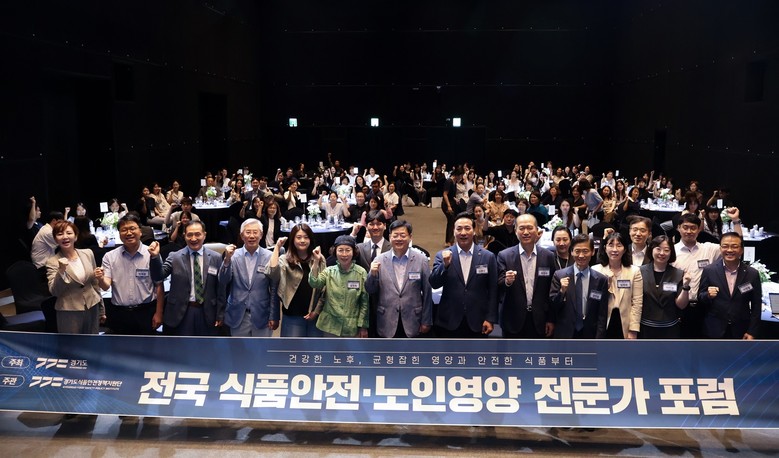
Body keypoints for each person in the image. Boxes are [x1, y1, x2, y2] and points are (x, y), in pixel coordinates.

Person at [672, 210, 743, 338]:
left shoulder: (709, 249)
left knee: (702, 345)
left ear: (699, 229)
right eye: (685, 227)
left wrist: (736, 221)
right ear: (678, 228)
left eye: (693, 228)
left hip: (704, 307)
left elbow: (736, 244)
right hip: (679, 307)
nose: (689, 231)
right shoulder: (671, 252)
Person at [148, 220, 224, 336]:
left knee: (207, 346)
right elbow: (158, 276)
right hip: (181, 312)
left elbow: (221, 288)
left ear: (204, 235)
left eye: (197, 234)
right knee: (182, 346)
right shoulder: (175, 257)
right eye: (189, 235)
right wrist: (155, 257)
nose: (193, 238)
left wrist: (220, 313)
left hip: (208, 312)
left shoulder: (216, 258)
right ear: (184, 236)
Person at [429, 213, 498, 338]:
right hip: (449, 320)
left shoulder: (488, 257)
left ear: (474, 231)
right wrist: (445, 266)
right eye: (459, 229)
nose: (463, 233)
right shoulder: (442, 255)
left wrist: (490, 318)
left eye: (467, 228)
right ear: (454, 231)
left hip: (478, 320)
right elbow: (434, 283)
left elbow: (493, 290)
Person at [96, 214, 164, 335]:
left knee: (148, 346)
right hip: (119, 314)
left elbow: (159, 285)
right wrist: (100, 279)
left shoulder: (152, 253)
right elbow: (105, 286)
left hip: (146, 312)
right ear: (119, 234)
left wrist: (159, 313)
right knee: (119, 346)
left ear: (140, 231)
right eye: (124, 230)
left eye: (132, 228)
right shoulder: (109, 257)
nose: (128, 233)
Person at [365, 220, 433, 338]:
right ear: (390, 237)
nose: (399, 239)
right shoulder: (379, 260)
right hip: (386, 320)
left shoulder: (421, 260)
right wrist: (372, 275)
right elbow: (370, 290)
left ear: (410, 237)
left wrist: (426, 320)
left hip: (413, 320)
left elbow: (427, 292)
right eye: (395, 235)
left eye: (403, 235)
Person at [497, 214, 556, 338]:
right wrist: (507, 282)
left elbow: (551, 291)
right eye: (521, 228)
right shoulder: (504, 256)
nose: (526, 232)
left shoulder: (548, 256)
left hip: (540, 319)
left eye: (529, 228)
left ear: (537, 230)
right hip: (512, 320)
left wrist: (551, 319)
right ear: (515, 231)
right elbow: (497, 285)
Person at [218, 219, 278, 337]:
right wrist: (227, 260)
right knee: (239, 348)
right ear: (242, 235)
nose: (252, 236)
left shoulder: (270, 256)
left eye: (255, 232)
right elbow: (223, 281)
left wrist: (274, 315)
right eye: (248, 232)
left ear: (261, 235)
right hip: (238, 315)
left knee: (261, 348)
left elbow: (274, 288)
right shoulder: (233, 255)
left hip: (262, 315)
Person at [699, 232, 761, 339]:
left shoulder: (752, 274)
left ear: (741, 250)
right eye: (725, 246)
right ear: (720, 248)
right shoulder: (709, 270)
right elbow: (700, 296)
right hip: (714, 329)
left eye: (734, 246)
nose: (729, 250)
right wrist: (708, 295)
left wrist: (752, 331)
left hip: (741, 329)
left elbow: (756, 305)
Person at [46, 220, 105, 334]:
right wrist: (61, 271)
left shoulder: (88, 253)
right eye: (60, 234)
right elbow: (54, 291)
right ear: (55, 239)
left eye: (69, 233)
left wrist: (102, 309)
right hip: (69, 312)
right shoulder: (52, 262)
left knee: (92, 341)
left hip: (92, 306)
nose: (65, 237)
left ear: (76, 236)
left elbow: (94, 283)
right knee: (71, 344)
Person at [267, 224, 325, 337]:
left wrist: (316, 311)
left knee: (315, 348)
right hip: (292, 316)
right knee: (292, 348)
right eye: (298, 237)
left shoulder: (318, 258)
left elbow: (324, 288)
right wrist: (277, 247)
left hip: (315, 316)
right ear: (293, 239)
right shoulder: (285, 259)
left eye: (306, 237)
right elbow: (272, 272)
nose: (302, 240)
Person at [549, 234, 609, 339]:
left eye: (585, 251)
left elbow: (602, 314)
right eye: (577, 251)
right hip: (565, 334)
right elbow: (553, 307)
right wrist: (562, 292)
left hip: (590, 334)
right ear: (571, 252)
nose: (581, 255)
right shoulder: (559, 275)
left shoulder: (601, 280)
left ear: (593, 252)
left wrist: (599, 339)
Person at [309, 235, 369, 337]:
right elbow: (314, 283)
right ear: (335, 252)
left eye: (348, 250)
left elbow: (364, 302)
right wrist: (316, 261)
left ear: (353, 252)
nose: (344, 254)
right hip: (330, 326)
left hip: (352, 327)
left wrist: (363, 326)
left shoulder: (361, 272)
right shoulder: (329, 271)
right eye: (340, 250)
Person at [592, 232, 643, 339]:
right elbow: (593, 299)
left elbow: (637, 302)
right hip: (602, 323)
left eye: (619, 245)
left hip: (625, 323)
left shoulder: (634, 271)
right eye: (611, 245)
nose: (615, 249)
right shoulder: (595, 270)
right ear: (605, 248)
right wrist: (604, 288)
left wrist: (633, 329)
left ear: (624, 249)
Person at [639, 235, 691, 339]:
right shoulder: (639, 271)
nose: (662, 253)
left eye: (666, 250)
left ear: (671, 252)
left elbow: (681, 305)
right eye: (658, 249)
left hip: (670, 328)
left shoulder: (678, 274)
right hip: (645, 327)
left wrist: (686, 286)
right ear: (651, 249)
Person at [441, 168, 465, 246]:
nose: (461, 178)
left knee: (452, 222)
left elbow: (451, 195)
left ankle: (450, 241)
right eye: (461, 176)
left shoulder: (454, 182)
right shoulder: (449, 181)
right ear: (457, 175)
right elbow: (445, 194)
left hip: (452, 203)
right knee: (451, 221)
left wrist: (455, 199)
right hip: (446, 204)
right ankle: (448, 241)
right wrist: (448, 206)